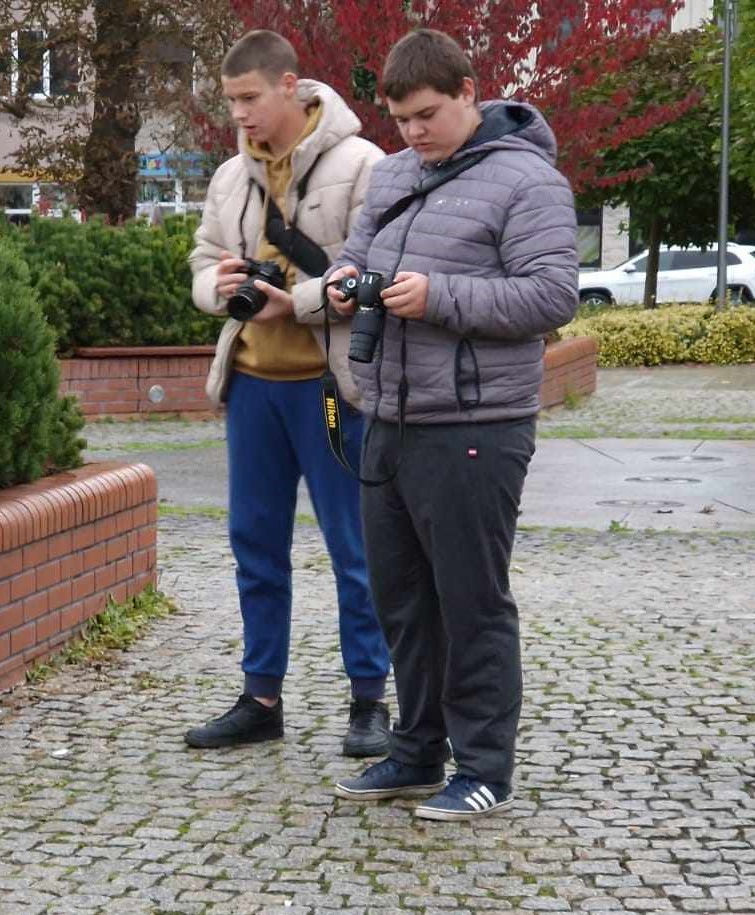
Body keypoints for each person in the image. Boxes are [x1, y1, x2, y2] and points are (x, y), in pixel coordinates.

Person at [328, 28, 578, 819]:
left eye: (427, 115)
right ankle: (413, 750)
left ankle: (482, 768)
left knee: (470, 598)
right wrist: (342, 281)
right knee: (400, 600)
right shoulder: (396, 173)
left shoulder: (527, 181)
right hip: (389, 414)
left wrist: (436, 295)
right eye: (400, 120)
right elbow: (357, 251)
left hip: (477, 421)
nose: (413, 134)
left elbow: (551, 297)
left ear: (469, 90)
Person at [185, 29, 391, 756]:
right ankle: (260, 696)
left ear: (289, 86)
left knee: (354, 547)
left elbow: (372, 276)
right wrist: (223, 286)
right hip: (250, 386)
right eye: (230, 100)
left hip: (329, 389)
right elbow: (203, 261)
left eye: (248, 98)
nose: (238, 113)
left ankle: (370, 699)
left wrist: (295, 302)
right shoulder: (228, 176)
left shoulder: (364, 165)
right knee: (254, 546)